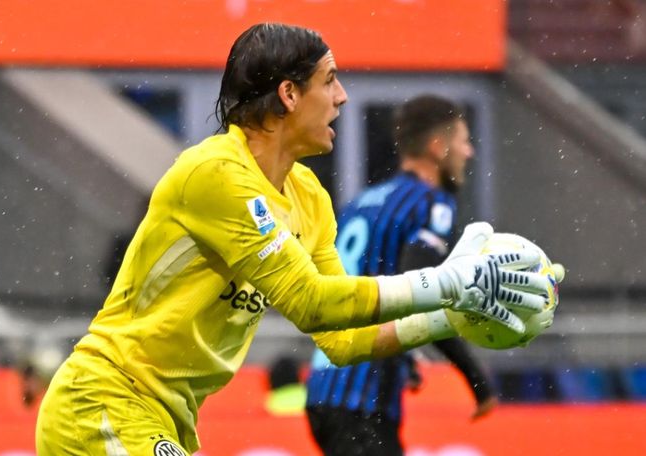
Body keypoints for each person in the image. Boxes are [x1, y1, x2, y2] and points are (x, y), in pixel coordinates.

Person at [35, 23, 553, 455]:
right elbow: (310, 303)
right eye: (329, 80)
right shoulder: (215, 172)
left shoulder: (308, 197)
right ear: (288, 94)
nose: (342, 96)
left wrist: (449, 316)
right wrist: (446, 283)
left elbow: (342, 339)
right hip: (103, 400)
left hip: (166, 418)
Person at [305, 95, 498, 456]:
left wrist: (403, 356)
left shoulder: (363, 203)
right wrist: (476, 379)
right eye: (463, 140)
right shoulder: (431, 203)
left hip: (325, 388)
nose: (468, 152)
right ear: (438, 147)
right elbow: (422, 289)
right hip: (362, 400)